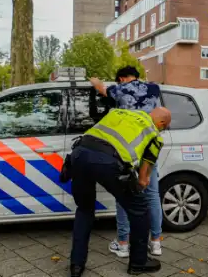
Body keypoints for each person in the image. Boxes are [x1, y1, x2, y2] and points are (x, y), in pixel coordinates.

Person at [69, 106, 171, 277]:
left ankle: (76, 266)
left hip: (79, 153)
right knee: (140, 210)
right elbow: (144, 179)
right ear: (160, 122)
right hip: (108, 161)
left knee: (85, 210)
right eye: (165, 127)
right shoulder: (154, 134)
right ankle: (139, 263)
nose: (162, 130)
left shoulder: (119, 112)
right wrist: (137, 186)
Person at [90, 66, 164, 256]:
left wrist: (95, 80)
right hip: (149, 146)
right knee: (152, 195)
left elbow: (101, 88)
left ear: (122, 79)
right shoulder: (154, 89)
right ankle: (156, 242)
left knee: (123, 196)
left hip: (127, 149)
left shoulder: (119, 90)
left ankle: (123, 243)